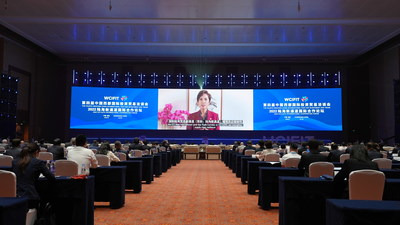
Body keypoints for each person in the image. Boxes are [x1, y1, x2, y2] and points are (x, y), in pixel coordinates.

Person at [12, 143, 55, 209]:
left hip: (15, 195)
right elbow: (51, 177)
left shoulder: (14, 162)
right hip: (31, 196)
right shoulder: (38, 162)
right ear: (36, 152)